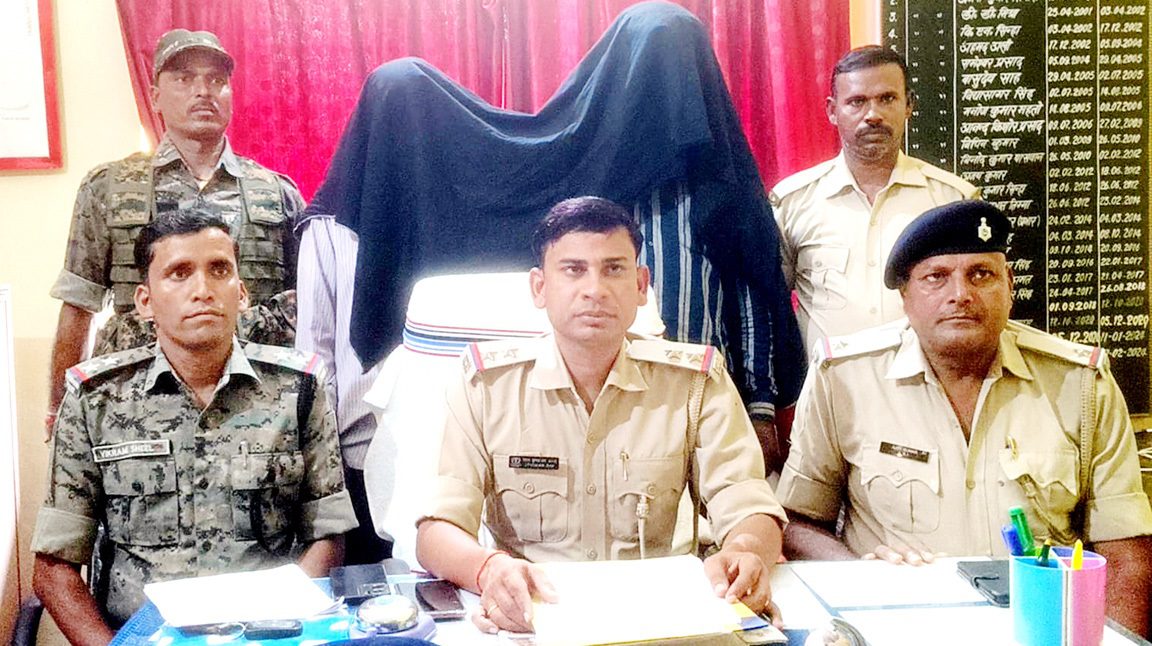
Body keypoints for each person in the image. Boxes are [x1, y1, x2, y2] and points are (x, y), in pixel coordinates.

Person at [776, 200, 1152, 636]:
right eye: (936, 277)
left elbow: (1125, 553)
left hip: (1039, 629)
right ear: (905, 297)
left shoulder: (1080, 384)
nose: (960, 294)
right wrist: (863, 573)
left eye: (981, 274)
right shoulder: (844, 377)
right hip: (898, 629)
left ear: (1010, 285)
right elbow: (798, 522)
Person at [415, 197, 787, 634]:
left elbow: (748, 503)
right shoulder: (487, 385)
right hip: (535, 618)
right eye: (573, 270)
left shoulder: (694, 382)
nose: (595, 289)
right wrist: (487, 569)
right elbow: (436, 531)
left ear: (641, 284)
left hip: (662, 620)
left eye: (614, 269)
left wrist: (745, 550)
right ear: (539, 287)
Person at [31, 209, 356, 645]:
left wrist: (282, 630)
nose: (203, 290)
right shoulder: (96, 399)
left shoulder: (298, 390)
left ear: (241, 293)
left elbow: (329, 535)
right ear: (145, 302)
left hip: (270, 633)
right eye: (179, 273)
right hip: (142, 636)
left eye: (219, 270)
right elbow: (53, 568)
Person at [45, 28, 304, 437]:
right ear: (155, 96)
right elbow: (79, 304)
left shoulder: (276, 192)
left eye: (216, 80)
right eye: (184, 78)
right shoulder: (108, 188)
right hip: (134, 413)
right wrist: (60, 410)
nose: (203, 91)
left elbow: (309, 308)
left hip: (256, 413)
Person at [771, 45, 979, 351]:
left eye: (887, 99)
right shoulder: (792, 202)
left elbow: (977, 302)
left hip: (926, 379)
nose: (873, 115)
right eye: (857, 102)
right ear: (832, 111)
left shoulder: (953, 200)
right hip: (828, 381)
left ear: (908, 105)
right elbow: (771, 307)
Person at [295, 214, 391, 565]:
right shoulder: (329, 219)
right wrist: (329, 464)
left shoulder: (460, 194)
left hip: (460, 453)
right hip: (356, 458)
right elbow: (315, 347)